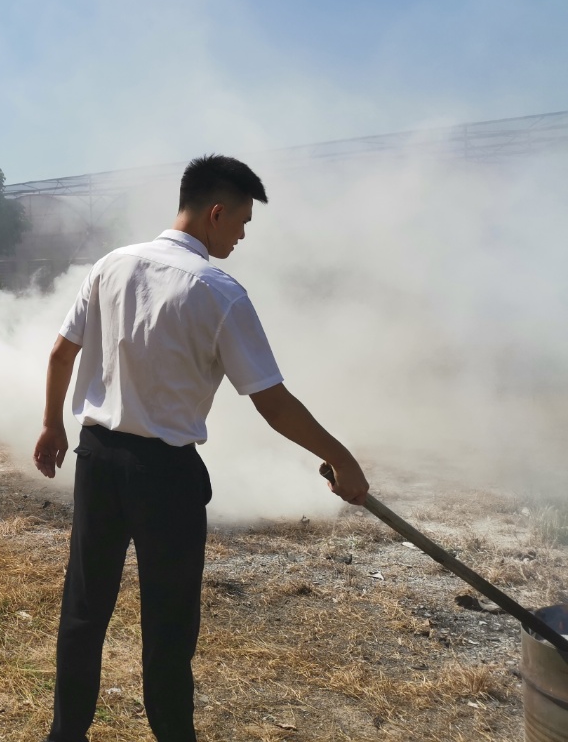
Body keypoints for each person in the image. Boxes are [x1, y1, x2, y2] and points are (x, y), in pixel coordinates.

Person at [33, 155, 369, 742]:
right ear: (215, 213)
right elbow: (272, 401)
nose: (239, 237)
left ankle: (65, 735)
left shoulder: (110, 265)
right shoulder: (218, 291)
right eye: (240, 224)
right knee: (168, 627)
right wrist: (341, 457)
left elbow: (62, 353)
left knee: (84, 612)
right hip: (164, 477)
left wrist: (52, 425)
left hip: (98, 462)